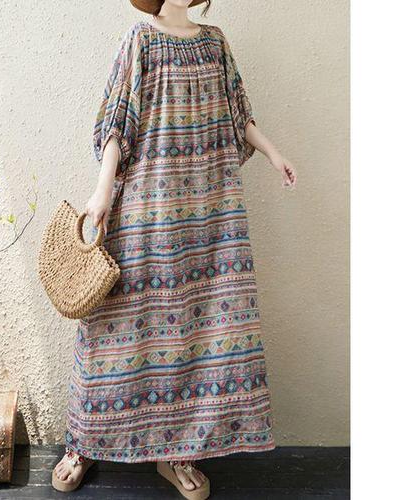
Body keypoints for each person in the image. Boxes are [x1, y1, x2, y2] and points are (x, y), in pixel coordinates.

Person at [52, 1, 297, 498]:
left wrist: (274, 153)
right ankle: (83, 443)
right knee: (115, 328)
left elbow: (238, 115)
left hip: (210, 214)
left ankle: (177, 453)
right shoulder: (140, 39)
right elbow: (118, 121)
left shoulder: (215, 42)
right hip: (147, 208)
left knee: (196, 334)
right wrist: (102, 191)